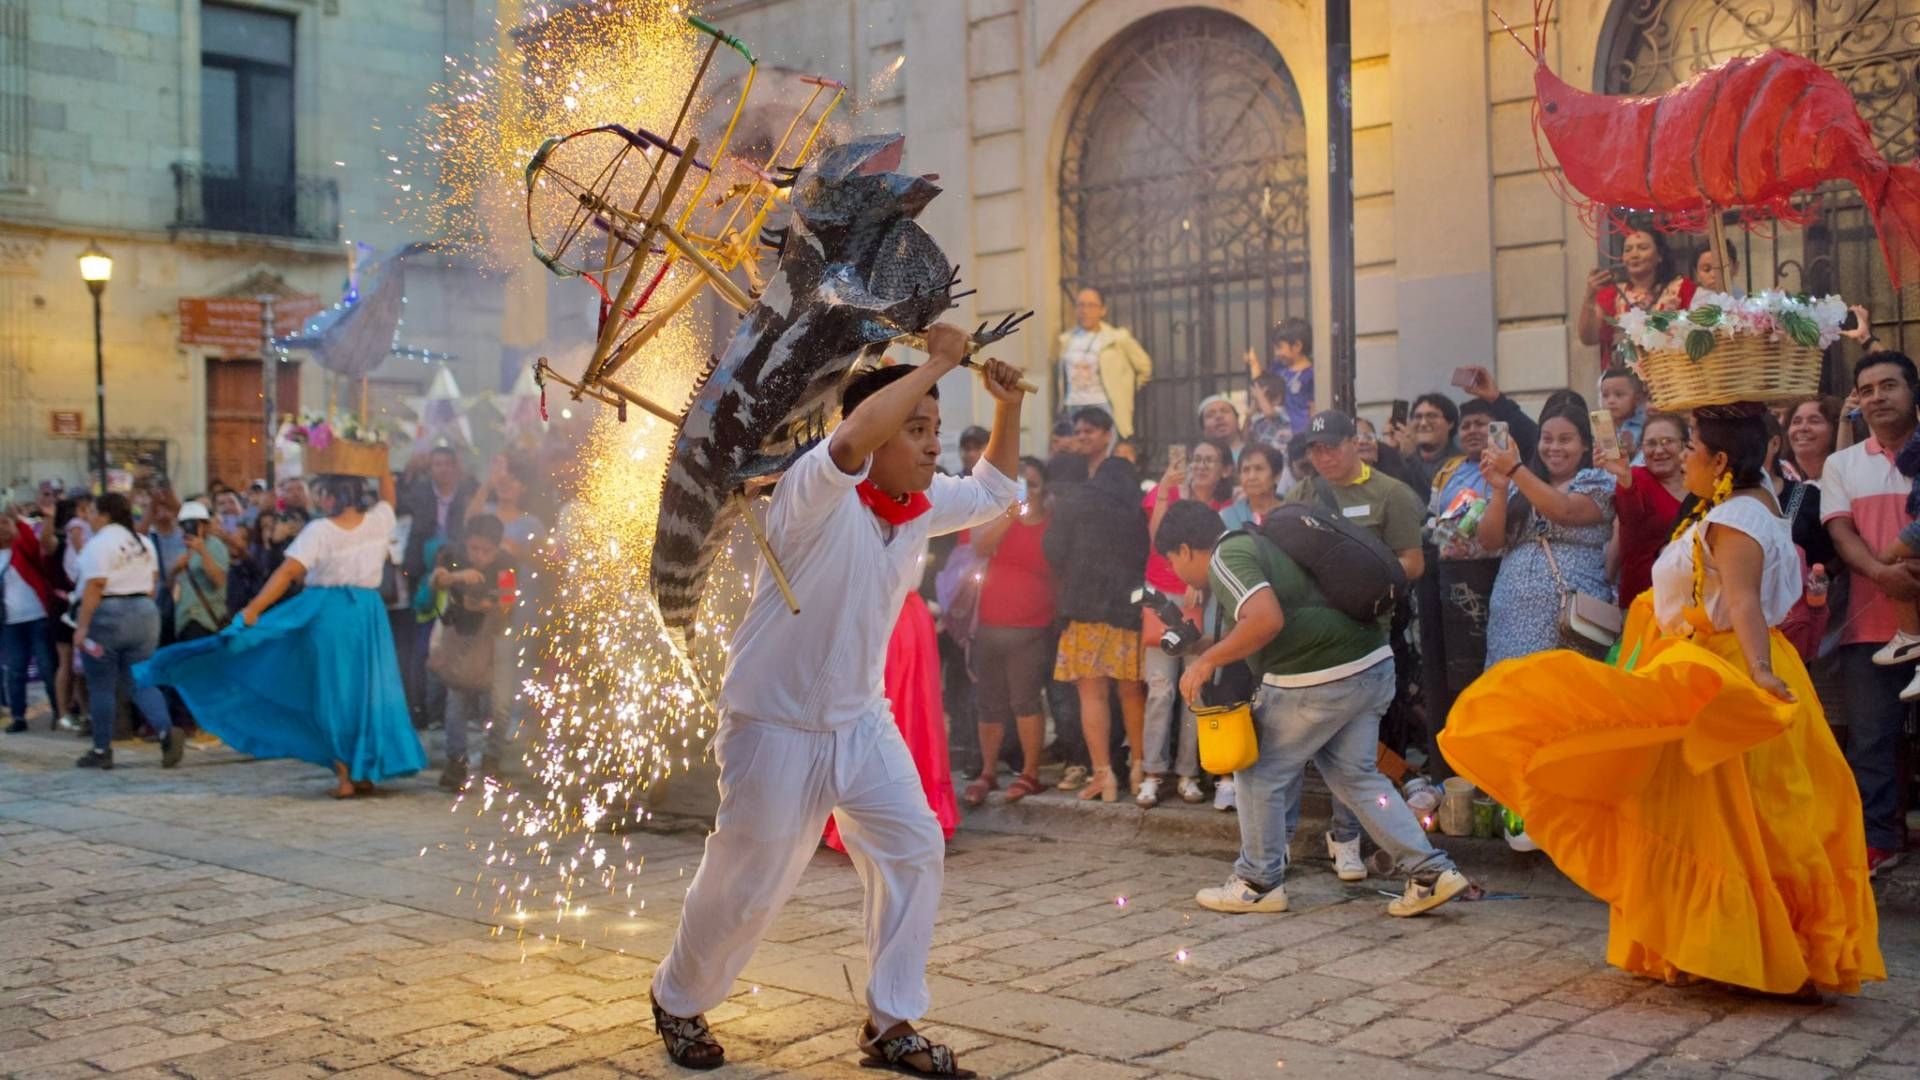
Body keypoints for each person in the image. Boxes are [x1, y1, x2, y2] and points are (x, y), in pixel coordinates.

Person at [648, 327, 1023, 1077]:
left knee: (914, 846)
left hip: (859, 720)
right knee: (752, 879)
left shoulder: (919, 503)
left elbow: (992, 493)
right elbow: (852, 433)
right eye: (914, 430)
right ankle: (678, 997)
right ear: (877, 434)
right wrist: (943, 360)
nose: (929, 447)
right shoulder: (811, 491)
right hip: (771, 723)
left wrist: (1007, 407)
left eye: (935, 432)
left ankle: (891, 1021)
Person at [1444, 403, 1885, 997]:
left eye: (1694, 446)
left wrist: (1757, 674)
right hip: (1708, 666)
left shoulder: (1735, 519)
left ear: (1721, 460)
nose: (1685, 456)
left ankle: (1753, 949)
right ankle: (1715, 946)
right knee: (1710, 819)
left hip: (1722, 674)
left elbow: (1745, 601)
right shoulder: (1739, 506)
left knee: (1731, 821)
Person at [1154, 500, 1470, 917]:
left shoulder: (1226, 555)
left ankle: (1257, 883)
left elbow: (1266, 621)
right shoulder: (1258, 544)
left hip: (1317, 675)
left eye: (1172, 563)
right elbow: (1261, 626)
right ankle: (1430, 873)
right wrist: (1200, 647)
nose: (1176, 574)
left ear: (1184, 550)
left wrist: (1208, 662)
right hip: (1371, 665)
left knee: (1258, 771)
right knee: (1356, 777)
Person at [136, 473, 425, 799]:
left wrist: (255, 608)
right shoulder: (378, 521)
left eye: (321, 494)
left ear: (331, 497)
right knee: (368, 691)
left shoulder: (320, 530)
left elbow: (288, 572)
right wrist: (375, 461)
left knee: (332, 692)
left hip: (329, 614)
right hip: (368, 615)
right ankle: (364, 771)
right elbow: (390, 495)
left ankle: (345, 774)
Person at [1285, 410, 1427, 878]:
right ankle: (1290, 843)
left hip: (1369, 635)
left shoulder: (1391, 494)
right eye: (1315, 450)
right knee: (1298, 747)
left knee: (1357, 754)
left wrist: (1364, 582)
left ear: (1355, 443)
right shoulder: (1304, 492)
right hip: (1313, 636)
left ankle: (1348, 837)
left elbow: (1413, 562)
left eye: (1331, 446)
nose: (1323, 457)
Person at [1821, 353, 1920, 876]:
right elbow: (1841, 534)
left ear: (1913, 391)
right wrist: (1884, 576)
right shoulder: (1842, 465)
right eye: (1866, 389)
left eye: (1889, 386)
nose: (1878, 397)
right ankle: (1879, 839)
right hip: (1869, 623)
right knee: (1872, 739)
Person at [1479, 403, 1618, 666]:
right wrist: (1499, 489)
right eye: (1547, 439)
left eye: (1565, 440)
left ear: (1585, 445)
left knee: (1559, 698)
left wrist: (1515, 470)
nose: (1554, 448)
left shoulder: (1597, 481)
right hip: (1510, 619)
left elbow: (1564, 511)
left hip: (1569, 623)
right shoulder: (1519, 485)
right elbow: (1489, 541)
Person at [1046, 454, 1150, 804]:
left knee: (1093, 696)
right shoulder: (1136, 507)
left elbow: (1053, 551)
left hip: (1083, 609)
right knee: (1133, 693)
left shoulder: (1075, 501)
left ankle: (1103, 777)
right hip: (1128, 612)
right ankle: (1139, 771)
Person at [1139, 439, 1235, 808]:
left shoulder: (1224, 509)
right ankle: (1152, 772)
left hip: (1202, 604)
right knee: (1160, 688)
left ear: (1224, 468)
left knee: (1193, 690)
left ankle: (1188, 773)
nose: (1200, 465)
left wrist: (1201, 584)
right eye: (1196, 458)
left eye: (1210, 459)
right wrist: (1164, 489)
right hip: (1162, 600)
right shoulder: (1169, 493)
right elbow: (1157, 541)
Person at [961, 458, 1053, 807]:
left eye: (1033, 483)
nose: (1027, 490)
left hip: (1031, 626)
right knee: (990, 702)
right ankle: (988, 772)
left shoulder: (1051, 523)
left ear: (1045, 488)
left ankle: (1030, 773)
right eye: (1021, 483)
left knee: (1026, 700)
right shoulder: (1001, 517)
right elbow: (980, 547)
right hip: (990, 623)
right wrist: (1009, 514)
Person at [70, 494, 180, 770]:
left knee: (101, 685)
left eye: (93, 513)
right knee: (140, 680)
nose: (90, 519)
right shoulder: (143, 542)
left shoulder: (98, 544)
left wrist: (82, 627)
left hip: (107, 614)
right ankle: (166, 731)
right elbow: (154, 583)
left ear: (105, 515)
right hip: (144, 611)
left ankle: (101, 749)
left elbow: (94, 586)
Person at [428, 513, 516, 790]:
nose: (478, 555)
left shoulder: (505, 563)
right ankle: (457, 763)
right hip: (461, 635)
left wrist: (487, 606)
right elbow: (435, 582)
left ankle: (492, 761)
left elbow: (508, 601)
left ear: (497, 547)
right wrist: (457, 576)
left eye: (486, 550)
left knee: (500, 703)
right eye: (473, 548)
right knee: (456, 701)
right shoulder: (454, 555)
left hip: (496, 636)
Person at [1600, 412, 1689, 611]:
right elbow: (1630, 513)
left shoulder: (1699, 483)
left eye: (1667, 441)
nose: (1659, 450)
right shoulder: (1637, 479)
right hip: (1645, 607)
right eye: (1650, 444)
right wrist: (1623, 476)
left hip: (1693, 606)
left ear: (1684, 445)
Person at [1579, 224, 1697, 368]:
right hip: (1624, 380)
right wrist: (1590, 296)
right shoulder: (1611, 295)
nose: (1634, 255)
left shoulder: (1682, 289)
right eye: (1628, 250)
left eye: (1643, 248)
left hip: (1670, 376)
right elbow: (1588, 338)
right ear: (1623, 258)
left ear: (1659, 256)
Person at [1054, 287, 1153, 437]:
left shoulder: (1117, 337)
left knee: (1105, 454)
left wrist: (1125, 390)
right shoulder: (1066, 339)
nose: (1085, 310)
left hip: (1103, 405)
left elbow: (1144, 367)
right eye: (1080, 305)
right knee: (1077, 453)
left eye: (1091, 305)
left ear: (1102, 310)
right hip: (1074, 405)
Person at [1, 512, 58, 733]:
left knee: (46, 667)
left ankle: (58, 710)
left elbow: (33, 543)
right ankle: (18, 716)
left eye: (5, 523)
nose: (2, 529)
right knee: (15, 670)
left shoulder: (23, 548)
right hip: (10, 622)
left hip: (37, 617)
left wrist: (20, 521)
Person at [169, 502, 231, 642]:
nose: (188, 528)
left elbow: (219, 581)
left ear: (204, 525)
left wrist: (203, 551)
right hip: (184, 620)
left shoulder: (215, 545)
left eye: (192, 524)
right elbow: (173, 588)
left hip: (205, 620)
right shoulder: (181, 550)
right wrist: (174, 570)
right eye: (184, 524)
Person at [1260, 317, 1315, 435]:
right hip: (1276, 431)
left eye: (1279, 347)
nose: (1276, 353)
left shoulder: (1311, 374)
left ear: (1297, 346)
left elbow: (1313, 407)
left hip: (1300, 433)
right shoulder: (1277, 368)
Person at [1220, 445, 1286, 531]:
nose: (1252, 477)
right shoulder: (1226, 517)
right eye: (1246, 470)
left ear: (1277, 476)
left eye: (1259, 469)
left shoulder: (1294, 514)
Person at [1598, 368, 1652, 461]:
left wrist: (1632, 451)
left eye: (1619, 395)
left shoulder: (1646, 425)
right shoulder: (1600, 425)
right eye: (1605, 395)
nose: (1611, 401)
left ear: (1637, 398)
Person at [1196, 395, 1245, 464]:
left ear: (1237, 420)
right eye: (1210, 415)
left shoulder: (1255, 455)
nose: (1219, 416)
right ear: (1203, 429)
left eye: (1225, 411)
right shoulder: (1197, 464)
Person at [1070, 406, 1115, 471]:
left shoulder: (1117, 472)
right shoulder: (1066, 469)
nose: (1081, 437)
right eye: (1077, 433)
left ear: (1107, 436)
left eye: (1088, 431)